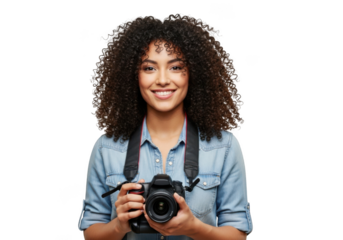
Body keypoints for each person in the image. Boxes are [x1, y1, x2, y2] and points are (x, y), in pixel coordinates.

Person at [78, 13, 253, 240]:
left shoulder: (225, 146)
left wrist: (194, 228)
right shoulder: (106, 147)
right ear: (133, 75)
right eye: (149, 68)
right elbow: (91, 233)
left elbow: (238, 235)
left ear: (193, 73)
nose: (162, 79)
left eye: (176, 67)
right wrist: (119, 225)